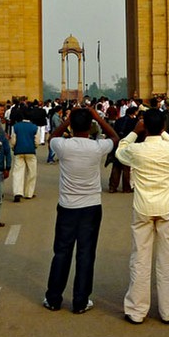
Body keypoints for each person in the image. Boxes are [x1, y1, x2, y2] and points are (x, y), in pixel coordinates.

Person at [116, 109, 169, 324]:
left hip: (143, 207)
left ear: (144, 127)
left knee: (140, 257)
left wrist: (134, 131)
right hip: (167, 206)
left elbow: (121, 150)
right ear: (164, 127)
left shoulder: (136, 150)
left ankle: (136, 311)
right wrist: (163, 133)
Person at [43, 108, 118, 313]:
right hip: (91, 207)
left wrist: (68, 120)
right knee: (86, 254)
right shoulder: (97, 147)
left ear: (72, 125)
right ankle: (80, 301)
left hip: (67, 207)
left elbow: (53, 136)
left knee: (61, 253)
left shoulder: (63, 146)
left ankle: (53, 299)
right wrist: (97, 117)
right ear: (90, 125)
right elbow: (114, 137)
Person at [10, 107, 39, 202]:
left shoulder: (16, 126)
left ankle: (18, 192)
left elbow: (13, 140)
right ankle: (29, 193)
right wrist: (34, 146)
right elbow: (37, 141)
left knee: (18, 172)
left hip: (19, 151)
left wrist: (14, 147)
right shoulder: (34, 127)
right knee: (32, 172)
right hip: (31, 151)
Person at [108, 106, 138, 193]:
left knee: (116, 166)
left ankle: (112, 187)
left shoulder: (119, 120)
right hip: (128, 144)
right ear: (134, 113)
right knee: (126, 167)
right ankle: (126, 188)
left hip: (118, 144)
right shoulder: (134, 122)